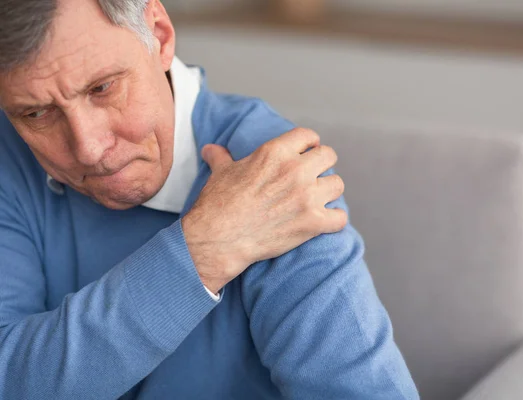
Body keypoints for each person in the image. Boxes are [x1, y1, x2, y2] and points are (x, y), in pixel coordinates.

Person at [0, 0, 419, 399]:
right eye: (37, 114)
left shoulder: (280, 186)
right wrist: (204, 249)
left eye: (103, 88)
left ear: (160, 35)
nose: (89, 148)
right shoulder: (9, 156)